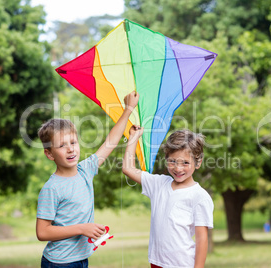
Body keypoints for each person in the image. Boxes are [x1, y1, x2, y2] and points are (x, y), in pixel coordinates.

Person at [36, 91, 139, 267]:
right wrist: (82, 228)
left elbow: (110, 142)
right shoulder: (52, 188)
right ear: (49, 154)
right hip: (60, 262)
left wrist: (128, 109)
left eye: (73, 142)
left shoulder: (85, 170)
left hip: (81, 259)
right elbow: (42, 232)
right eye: (62, 146)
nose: (70, 149)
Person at [123, 128, 214, 268]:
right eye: (172, 161)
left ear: (198, 162)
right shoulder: (158, 184)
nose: (178, 168)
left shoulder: (199, 197)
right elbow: (128, 169)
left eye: (185, 163)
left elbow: (202, 239)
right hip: (156, 263)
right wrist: (134, 137)